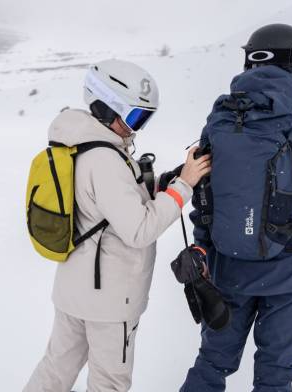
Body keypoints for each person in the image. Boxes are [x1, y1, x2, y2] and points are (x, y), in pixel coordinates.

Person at [180, 24, 292, 392]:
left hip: (229, 268)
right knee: (275, 376)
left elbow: (205, 197)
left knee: (211, 364)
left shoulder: (222, 121)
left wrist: (204, 249)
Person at [23, 59, 211, 392]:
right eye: (136, 116)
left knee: (55, 370)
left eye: (145, 118)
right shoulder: (105, 159)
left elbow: (107, 205)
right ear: (108, 107)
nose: (137, 128)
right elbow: (140, 230)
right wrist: (184, 187)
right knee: (109, 383)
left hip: (74, 292)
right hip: (110, 301)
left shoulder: (77, 143)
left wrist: (164, 184)